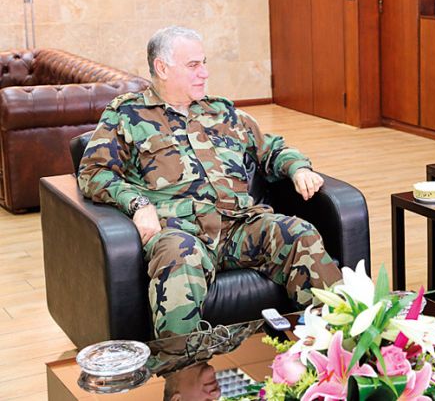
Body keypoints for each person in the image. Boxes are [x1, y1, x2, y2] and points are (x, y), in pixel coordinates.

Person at [78, 26, 342, 338]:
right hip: (180, 232)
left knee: (299, 233)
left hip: (240, 227)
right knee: (179, 255)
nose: (204, 73)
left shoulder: (222, 112)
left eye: (204, 63)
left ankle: (337, 346)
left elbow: (271, 149)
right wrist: (139, 203)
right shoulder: (127, 115)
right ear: (162, 68)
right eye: (193, 65)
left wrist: (298, 168)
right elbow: (93, 172)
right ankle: (183, 363)